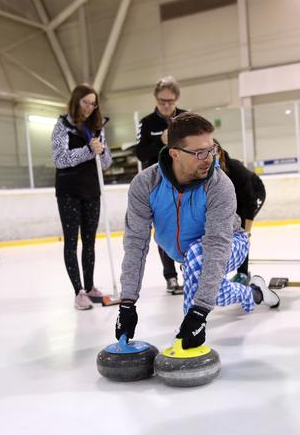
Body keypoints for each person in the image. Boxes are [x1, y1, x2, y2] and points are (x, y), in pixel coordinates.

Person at [114, 113, 279, 349]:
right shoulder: (145, 184)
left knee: (198, 259)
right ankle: (254, 293)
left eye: (212, 149)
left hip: (232, 242)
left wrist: (198, 314)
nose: (209, 159)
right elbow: (135, 245)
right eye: (200, 153)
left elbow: (216, 245)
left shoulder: (219, 185)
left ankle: (184, 331)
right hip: (189, 256)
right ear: (175, 153)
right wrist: (127, 303)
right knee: (216, 291)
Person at [52, 84, 112, 311]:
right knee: (71, 241)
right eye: (85, 102)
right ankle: (78, 291)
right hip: (69, 191)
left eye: (93, 103)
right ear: (76, 101)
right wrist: (88, 150)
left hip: (91, 189)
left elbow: (106, 164)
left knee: (90, 242)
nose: (89, 107)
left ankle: (90, 286)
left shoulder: (98, 128)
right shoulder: (62, 126)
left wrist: (102, 151)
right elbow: (60, 158)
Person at [134, 76, 187, 295]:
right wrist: (160, 142)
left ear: (177, 99)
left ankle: (191, 271)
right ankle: (171, 277)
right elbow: (140, 153)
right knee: (164, 230)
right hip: (158, 184)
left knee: (188, 227)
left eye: (170, 101)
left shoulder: (186, 118)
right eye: (162, 100)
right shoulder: (147, 123)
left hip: (185, 181)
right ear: (156, 98)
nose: (166, 105)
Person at [214, 141, 266, 284]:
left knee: (241, 230)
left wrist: (247, 233)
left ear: (219, 153)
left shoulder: (236, 169)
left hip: (253, 194)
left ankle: (242, 274)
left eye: (213, 153)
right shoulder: (209, 171)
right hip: (234, 199)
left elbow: (249, 203)